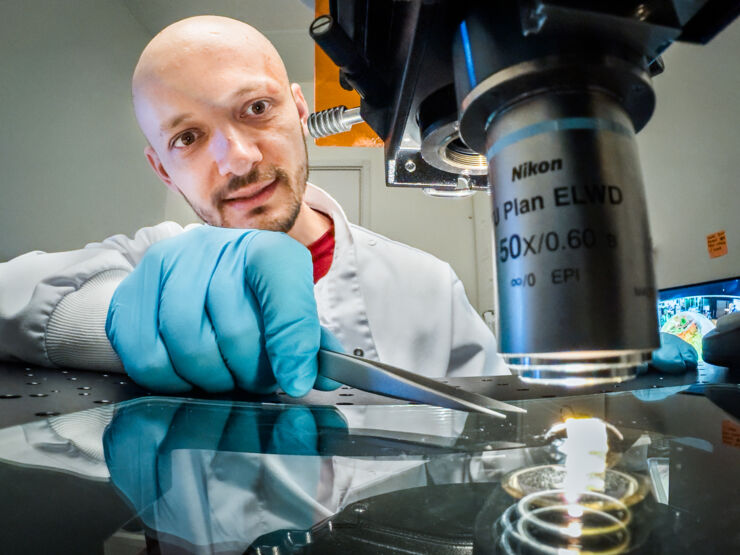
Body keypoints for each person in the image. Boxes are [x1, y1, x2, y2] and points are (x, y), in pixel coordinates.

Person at [0, 16, 506, 396]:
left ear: (299, 110)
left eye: (257, 109)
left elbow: (500, 456)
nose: (238, 160)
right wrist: (109, 315)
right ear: (162, 169)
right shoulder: (153, 261)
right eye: (188, 137)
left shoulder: (428, 284)